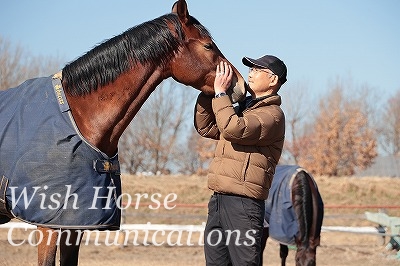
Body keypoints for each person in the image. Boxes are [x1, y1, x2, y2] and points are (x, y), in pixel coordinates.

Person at [194, 55, 287, 265]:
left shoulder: (272, 115)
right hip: (218, 201)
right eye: (251, 69)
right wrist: (209, 92)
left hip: (244, 206)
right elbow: (206, 126)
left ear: (273, 80)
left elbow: (234, 128)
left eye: (257, 70)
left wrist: (220, 94)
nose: (250, 73)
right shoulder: (242, 109)